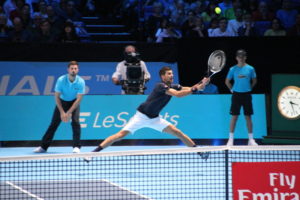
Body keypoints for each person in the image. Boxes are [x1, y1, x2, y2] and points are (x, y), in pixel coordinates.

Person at [86, 66, 210, 161]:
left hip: (155, 119)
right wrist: (195, 89)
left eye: (172, 73)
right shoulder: (160, 86)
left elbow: (187, 89)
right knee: (120, 135)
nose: (172, 75)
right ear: (163, 76)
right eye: (169, 74)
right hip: (141, 116)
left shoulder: (175, 85)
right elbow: (178, 95)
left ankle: (199, 152)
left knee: (178, 132)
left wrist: (201, 83)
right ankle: (93, 153)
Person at [34, 61, 85, 153]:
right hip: (62, 102)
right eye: (72, 68)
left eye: (75, 68)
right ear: (68, 70)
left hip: (74, 102)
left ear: (78, 70)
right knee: (54, 124)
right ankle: (43, 147)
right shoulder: (61, 80)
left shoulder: (81, 81)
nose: (73, 70)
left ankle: (76, 146)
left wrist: (68, 113)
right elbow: (57, 97)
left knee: (76, 122)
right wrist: (62, 112)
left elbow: (79, 99)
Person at [225, 49, 258, 146]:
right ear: (236, 58)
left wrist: (249, 88)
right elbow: (227, 81)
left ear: (245, 57)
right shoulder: (232, 69)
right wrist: (232, 90)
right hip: (236, 95)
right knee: (234, 117)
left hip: (247, 95)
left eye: (243, 56)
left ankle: (251, 140)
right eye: (239, 56)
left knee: (248, 117)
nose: (241, 58)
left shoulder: (251, 69)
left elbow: (254, 81)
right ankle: (230, 140)